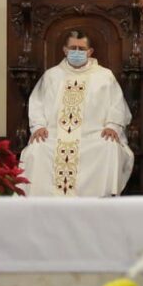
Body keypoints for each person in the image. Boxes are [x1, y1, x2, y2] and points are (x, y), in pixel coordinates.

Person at [20, 30, 133, 196]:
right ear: (65, 50)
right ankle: (41, 203)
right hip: (54, 135)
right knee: (37, 149)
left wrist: (112, 126)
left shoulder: (104, 76)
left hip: (93, 135)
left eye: (82, 49)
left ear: (90, 52)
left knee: (109, 147)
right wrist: (38, 126)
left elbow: (116, 104)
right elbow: (37, 102)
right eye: (73, 48)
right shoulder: (52, 75)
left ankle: (101, 201)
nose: (77, 52)